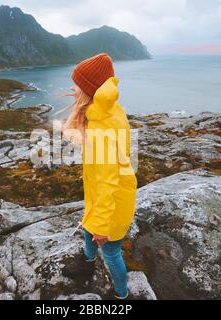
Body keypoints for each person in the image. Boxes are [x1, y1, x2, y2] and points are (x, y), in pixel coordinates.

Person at [62, 53, 138, 300]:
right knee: (87, 225)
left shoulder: (101, 129)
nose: (72, 88)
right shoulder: (107, 112)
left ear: (89, 90)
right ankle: (87, 259)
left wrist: (103, 226)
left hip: (112, 202)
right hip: (101, 196)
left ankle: (121, 294)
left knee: (112, 251)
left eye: (77, 84)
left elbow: (108, 181)